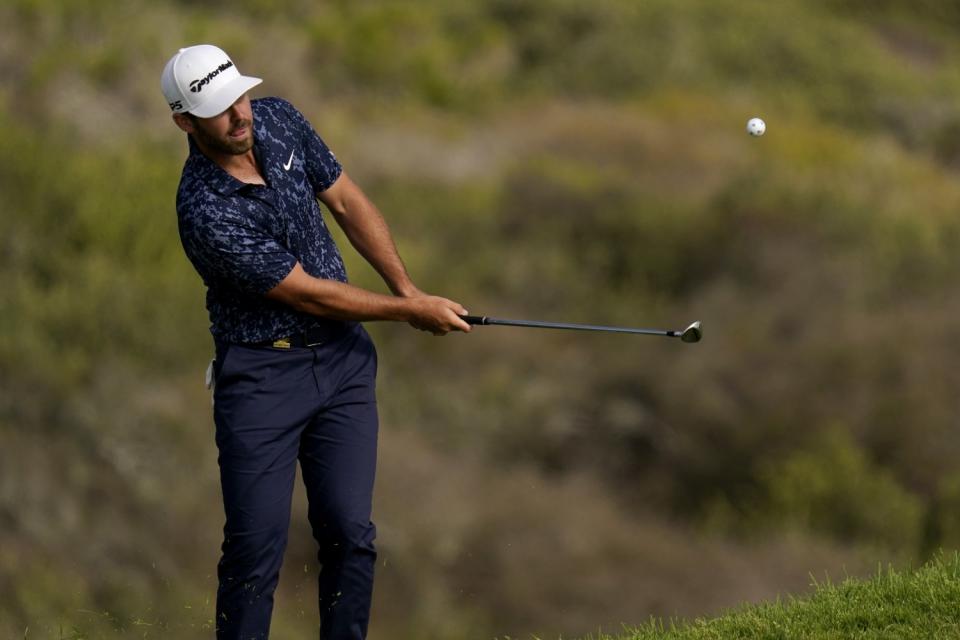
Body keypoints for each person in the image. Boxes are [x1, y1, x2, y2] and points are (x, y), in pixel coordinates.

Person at [161, 44, 471, 640]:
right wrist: (410, 312)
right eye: (218, 110)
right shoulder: (204, 209)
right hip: (261, 380)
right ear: (184, 121)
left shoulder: (278, 117)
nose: (238, 116)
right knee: (255, 551)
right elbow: (308, 294)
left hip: (343, 365)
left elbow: (347, 200)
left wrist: (407, 287)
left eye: (239, 97)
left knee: (351, 533)